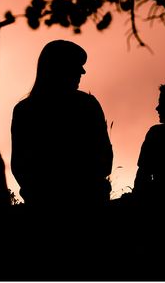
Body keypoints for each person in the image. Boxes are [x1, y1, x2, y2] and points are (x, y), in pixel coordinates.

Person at [11, 40, 113, 208]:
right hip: (83, 200)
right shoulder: (87, 105)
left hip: (50, 201)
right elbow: (104, 158)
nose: (82, 72)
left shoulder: (24, 110)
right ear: (58, 68)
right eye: (75, 66)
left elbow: (21, 166)